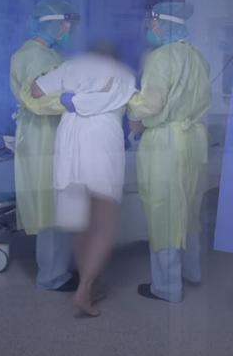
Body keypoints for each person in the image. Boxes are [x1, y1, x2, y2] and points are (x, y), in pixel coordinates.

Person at [31, 42, 137, 316]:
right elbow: (136, 117)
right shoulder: (123, 74)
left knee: (80, 223)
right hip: (102, 145)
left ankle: (88, 284)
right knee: (103, 225)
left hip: (69, 146)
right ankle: (84, 288)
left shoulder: (71, 67)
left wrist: (68, 97)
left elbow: (35, 90)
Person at [127, 2, 211, 303]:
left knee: (164, 211)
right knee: (189, 209)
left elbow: (150, 104)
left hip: (166, 142)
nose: (150, 28)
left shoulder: (161, 58)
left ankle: (167, 286)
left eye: (152, 23)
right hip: (194, 140)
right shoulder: (197, 56)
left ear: (161, 25)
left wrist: (129, 103)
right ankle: (192, 272)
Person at [9, 0, 81, 291]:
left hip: (53, 134)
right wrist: (77, 101)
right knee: (51, 206)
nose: (68, 29)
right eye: (64, 24)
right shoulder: (34, 57)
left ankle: (60, 269)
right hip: (43, 136)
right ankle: (51, 276)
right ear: (51, 23)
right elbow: (38, 99)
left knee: (61, 204)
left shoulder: (50, 55)